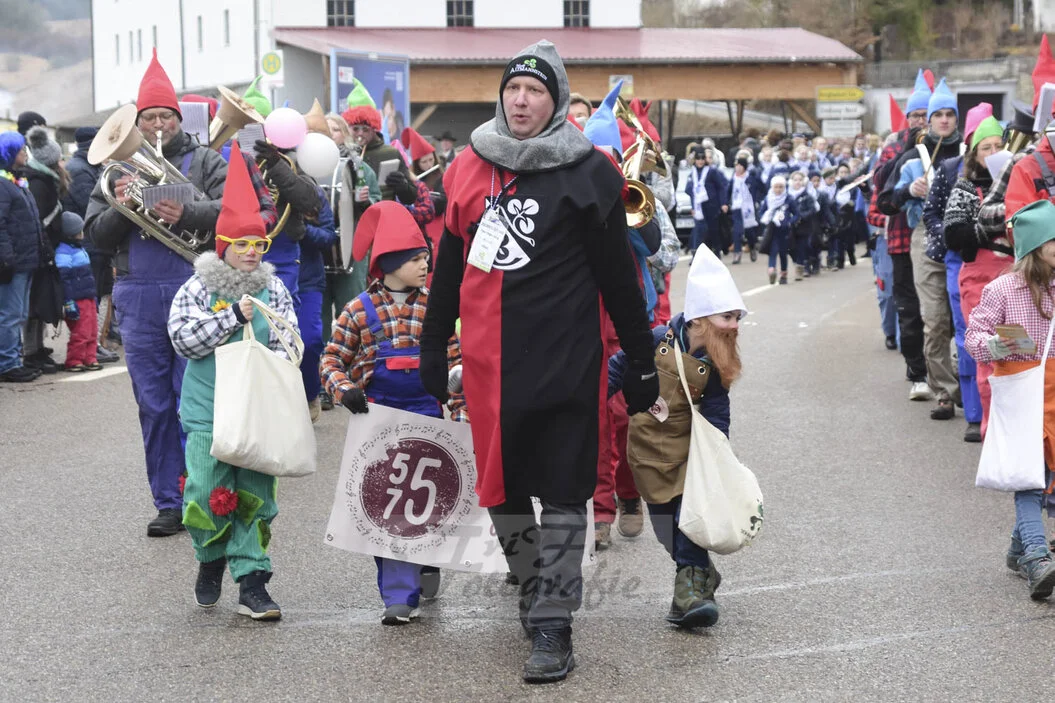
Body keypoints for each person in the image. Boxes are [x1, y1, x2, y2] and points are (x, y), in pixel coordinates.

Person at [419, 40, 657, 683]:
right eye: (513, 89)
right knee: (502, 489)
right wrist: (432, 343)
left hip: (566, 358)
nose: (521, 101)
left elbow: (618, 278)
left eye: (535, 91)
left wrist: (641, 357)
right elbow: (448, 271)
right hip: (490, 365)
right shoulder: (468, 167)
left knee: (562, 488)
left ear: (555, 101)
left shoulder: (590, 171)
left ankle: (555, 622)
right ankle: (532, 586)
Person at [86, 50, 231, 537]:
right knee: (153, 404)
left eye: (165, 116)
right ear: (137, 123)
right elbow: (94, 235)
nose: (157, 125)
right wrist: (121, 206)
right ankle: (169, 501)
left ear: (178, 118)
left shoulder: (206, 160)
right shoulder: (117, 169)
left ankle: (202, 493)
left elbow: (235, 212)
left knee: (196, 400)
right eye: (148, 118)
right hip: (139, 294)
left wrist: (187, 214)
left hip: (194, 287)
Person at [319, 201, 467, 624]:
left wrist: (461, 412)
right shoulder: (357, 310)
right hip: (378, 421)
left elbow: (457, 365)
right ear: (389, 263)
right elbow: (330, 360)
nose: (425, 265)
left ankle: (428, 562)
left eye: (426, 257)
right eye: (416, 258)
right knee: (386, 508)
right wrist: (345, 390)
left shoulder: (437, 308)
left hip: (429, 417)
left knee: (430, 500)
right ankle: (399, 595)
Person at [168, 142, 297, 620]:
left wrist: (274, 362)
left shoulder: (274, 287)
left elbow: (291, 342)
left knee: (255, 497)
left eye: (258, 244)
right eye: (242, 244)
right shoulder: (196, 287)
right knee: (205, 492)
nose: (251, 252)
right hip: (208, 412)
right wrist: (230, 319)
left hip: (257, 413)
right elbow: (183, 340)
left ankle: (253, 582)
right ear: (223, 246)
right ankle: (210, 559)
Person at [609, 246, 744, 627]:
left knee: (690, 520)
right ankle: (700, 573)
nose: (734, 325)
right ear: (700, 318)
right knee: (666, 529)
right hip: (647, 453)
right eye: (727, 316)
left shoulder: (714, 364)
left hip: (687, 456)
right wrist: (590, 400)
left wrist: (717, 450)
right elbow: (618, 369)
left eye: (737, 317)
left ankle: (689, 593)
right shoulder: (655, 339)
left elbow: (716, 410)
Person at [965, 199, 1055, 600]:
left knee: (1046, 472)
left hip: (1054, 390)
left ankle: (1019, 551)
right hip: (1020, 389)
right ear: (1035, 244)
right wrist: (995, 346)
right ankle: (1037, 557)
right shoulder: (1002, 288)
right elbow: (974, 337)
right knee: (1028, 473)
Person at [882, 78, 964, 419]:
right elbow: (885, 201)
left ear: (956, 119)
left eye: (949, 114)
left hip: (965, 241)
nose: (944, 120)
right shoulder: (913, 157)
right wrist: (908, 191)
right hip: (925, 239)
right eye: (937, 115)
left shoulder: (969, 153)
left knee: (963, 320)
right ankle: (944, 391)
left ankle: (965, 381)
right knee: (935, 319)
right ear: (928, 121)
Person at [926, 106, 1003, 441]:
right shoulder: (957, 178)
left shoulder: (1017, 177)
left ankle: (1005, 415)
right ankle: (976, 414)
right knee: (971, 338)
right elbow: (948, 228)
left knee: (1010, 341)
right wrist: (990, 230)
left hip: (1010, 272)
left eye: (999, 146)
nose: (993, 152)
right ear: (973, 148)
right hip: (967, 268)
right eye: (986, 147)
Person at [22, 125, 69, 375]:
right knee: (35, 303)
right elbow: (39, 220)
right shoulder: (39, 183)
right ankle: (31, 352)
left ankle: (37, 348)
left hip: (44, 248)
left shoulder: (42, 179)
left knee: (40, 301)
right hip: (40, 250)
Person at [0, 131, 44, 383]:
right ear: (8, 154)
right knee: (10, 314)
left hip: (25, 260)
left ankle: (14, 360)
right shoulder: (2, 185)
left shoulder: (16, 181)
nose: (25, 154)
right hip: (13, 263)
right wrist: (7, 258)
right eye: (20, 150)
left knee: (19, 314)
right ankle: (7, 364)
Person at [54, 212, 101, 372]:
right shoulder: (64, 252)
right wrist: (68, 301)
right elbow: (64, 279)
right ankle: (74, 360)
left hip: (88, 296)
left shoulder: (79, 249)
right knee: (81, 332)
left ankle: (90, 357)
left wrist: (94, 297)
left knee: (92, 330)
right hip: (77, 299)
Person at [685, 146, 729, 258]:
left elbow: (721, 187)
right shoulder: (692, 173)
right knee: (699, 230)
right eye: (698, 159)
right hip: (698, 206)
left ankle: (717, 251)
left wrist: (723, 203)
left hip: (711, 205)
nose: (700, 161)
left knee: (713, 230)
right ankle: (696, 254)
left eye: (702, 158)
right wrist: (693, 206)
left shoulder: (711, 171)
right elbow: (690, 190)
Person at [758, 175, 799, 285]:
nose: (778, 189)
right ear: (772, 187)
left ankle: (783, 275)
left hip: (784, 231)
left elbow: (796, 214)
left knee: (783, 253)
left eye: (781, 187)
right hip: (772, 230)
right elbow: (761, 212)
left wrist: (789, 222)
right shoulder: (768, 198)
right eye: (776, 187)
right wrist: (766, 218)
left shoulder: (788, 199)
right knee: (773, 251)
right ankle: (772, 271)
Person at [728, 155, 762, 264]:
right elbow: (728, 191)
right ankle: (737, 253)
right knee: (737, 231)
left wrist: (757, 200)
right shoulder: (734, 178)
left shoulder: (751, 177)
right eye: (736, 165)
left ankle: (752, 247)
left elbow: (761, 188)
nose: (738, 168)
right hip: (737, 207)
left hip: (748, 208)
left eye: (740, 165)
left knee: (749, 232)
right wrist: (725, 203)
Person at [787, 170, 818, 280]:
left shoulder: (807, 196)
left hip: (803, 227)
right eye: (795, 180)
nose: (797, 182)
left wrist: (801, 216)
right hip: (790, 227)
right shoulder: (787, 196)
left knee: (802, 247)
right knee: (790, 248)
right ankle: (799, 262)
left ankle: (802, 268)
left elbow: (812, 210)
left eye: (800, 180)